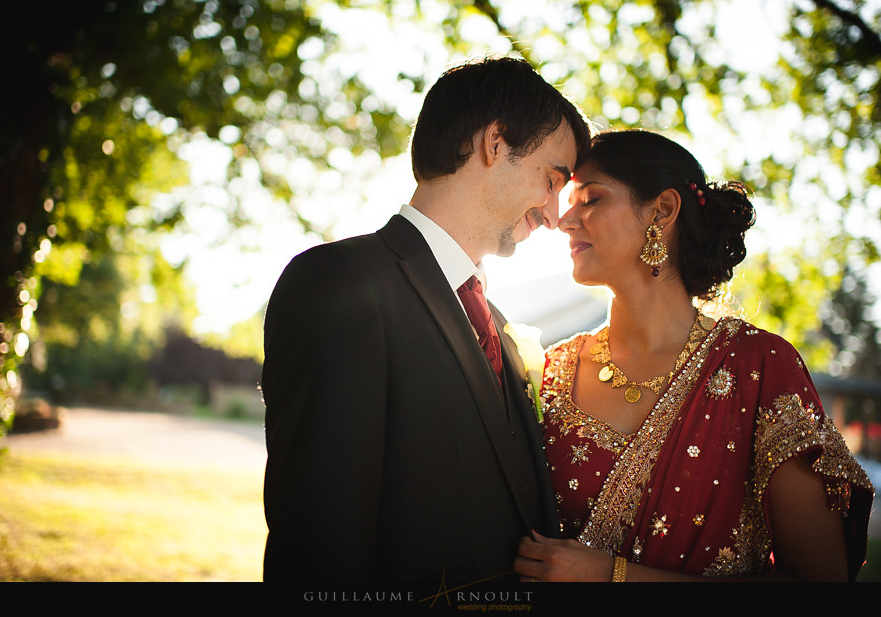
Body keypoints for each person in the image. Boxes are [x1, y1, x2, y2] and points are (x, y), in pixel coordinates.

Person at [261, 55, 592, 588]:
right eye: (551, 180)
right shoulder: (340, 285)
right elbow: (318, 548)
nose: (555, 215)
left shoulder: (500, 328)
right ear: (496, 143)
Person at [514, 129, 875, 582]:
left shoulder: (758, 367)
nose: (564, 220)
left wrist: (614, 577)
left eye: (590, 199)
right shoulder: (550, 372)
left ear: (662, 210)